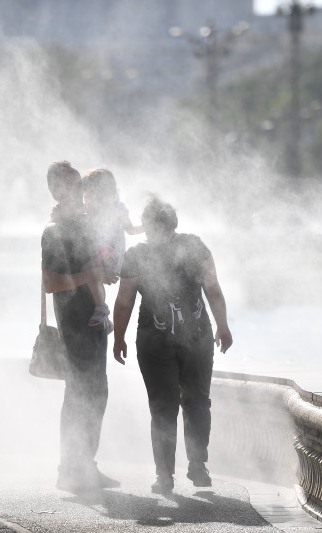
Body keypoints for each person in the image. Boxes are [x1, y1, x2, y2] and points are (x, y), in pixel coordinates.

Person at [112, 196, 233, 495]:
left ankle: (164, 476)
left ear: (149, 225)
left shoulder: (137, 255)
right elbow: (213, 289)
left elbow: (125, 301)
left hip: (155, 341)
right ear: (173, 223)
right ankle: (198, 465)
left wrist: (118, 338)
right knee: (197, 400)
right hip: (197, 337)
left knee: (162, 407)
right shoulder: (195, 247)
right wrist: (223, 326)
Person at [41, 161, 120, 492]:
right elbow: (50, 283)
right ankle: (69, 469)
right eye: (73, 186)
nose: (81, 192)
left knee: (96, 392)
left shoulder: (84, 226)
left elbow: (96, 269)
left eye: (81, 186)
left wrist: (104, 300)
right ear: (57, 190)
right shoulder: (54, 232)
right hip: (73, 324)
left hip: (93, 321)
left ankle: (84, 465)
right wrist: (93, 275)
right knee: (79, 394)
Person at [81, 168, 144, 330]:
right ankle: (102, 313)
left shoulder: (117, 209)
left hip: (112, 254)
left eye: (89, 193)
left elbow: (130, 229)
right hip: (100, 251)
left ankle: (101, 308)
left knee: (88, 271)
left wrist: (147, 227)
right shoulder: (88, 211)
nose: (85, 198)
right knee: (89, 274)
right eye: (85, 194)